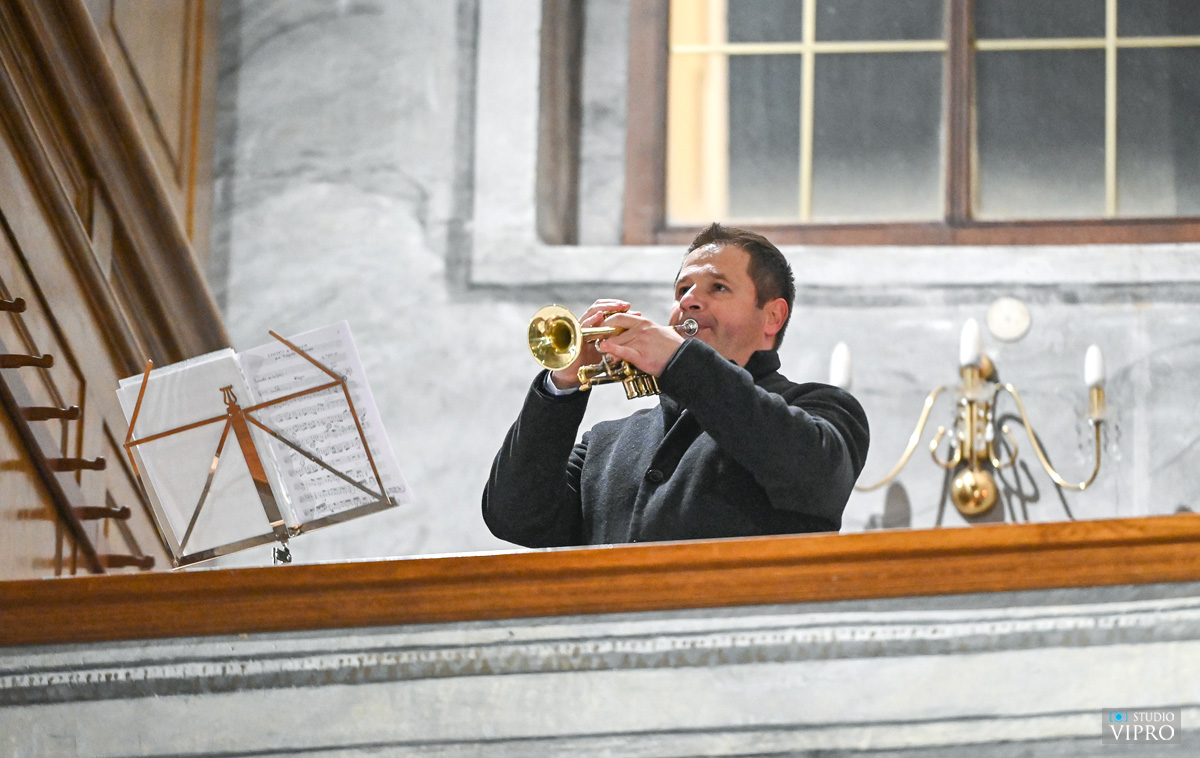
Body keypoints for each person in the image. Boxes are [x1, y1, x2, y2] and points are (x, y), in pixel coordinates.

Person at [482, 223, 869, 547]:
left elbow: (812, 475)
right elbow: (514, 517)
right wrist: (563, 385)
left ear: (772, 315)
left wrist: (679, 362)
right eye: (682, 290)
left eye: (718, 288)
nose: (689, 301)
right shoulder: (605, 443)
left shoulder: (821, 410)